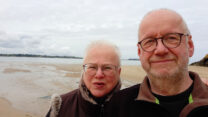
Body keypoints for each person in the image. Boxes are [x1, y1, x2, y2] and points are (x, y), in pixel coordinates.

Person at [108, 8, 208, 117]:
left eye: (171, 38)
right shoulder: (118, 106)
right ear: (139, 52)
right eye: (149, 41)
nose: (160, 50)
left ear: (190, 46)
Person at [46, 40, 121, 117]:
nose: (99, 75)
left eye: (107, 68)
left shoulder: (130, 107)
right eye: (92, 67)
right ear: (83, 70)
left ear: (118, 72)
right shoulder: (61, 107)